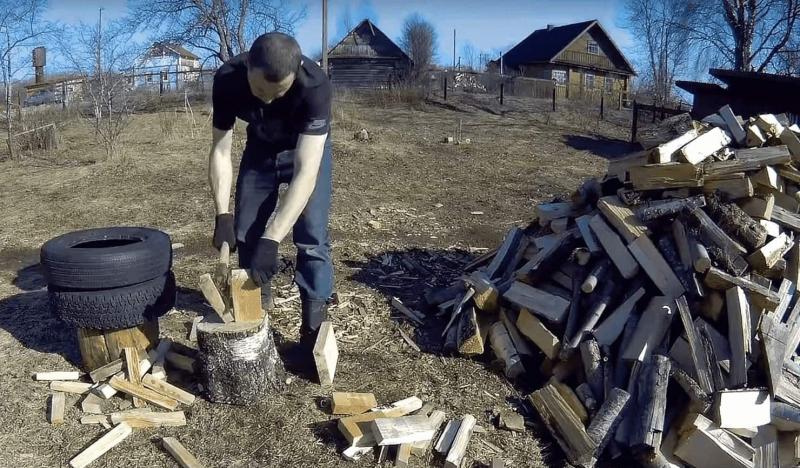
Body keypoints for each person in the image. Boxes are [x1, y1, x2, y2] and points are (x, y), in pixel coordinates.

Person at [208, 32, 333, 351]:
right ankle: (254, 314)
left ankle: (313, 331)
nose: (267, 100)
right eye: (261, 91)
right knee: (245, 232)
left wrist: (273, 238)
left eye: (278, 93)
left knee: (312, 238)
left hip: (304, 149)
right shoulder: (227, 79)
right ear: (248, 67)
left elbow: (306, 173)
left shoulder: (315, 85)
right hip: (260, 149)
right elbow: (220, 150)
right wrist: (223, 214)